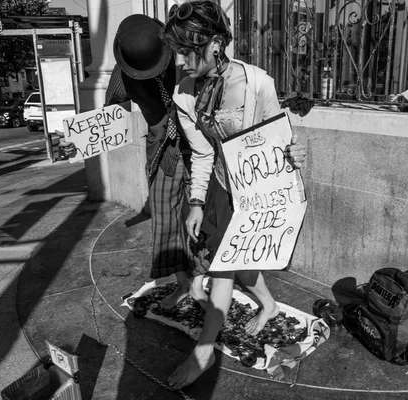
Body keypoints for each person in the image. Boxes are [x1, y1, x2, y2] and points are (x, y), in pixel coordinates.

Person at [162, 0, 308, 389]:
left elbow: (280, 143)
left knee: (222, 267)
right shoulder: (184, 92)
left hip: (257, 192)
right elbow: (204, 151)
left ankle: (204, 350)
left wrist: (297, 152)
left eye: (186, 50)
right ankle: (270, 304)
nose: (180, 60)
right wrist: (195, 202)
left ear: (213, 44)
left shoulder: (257, 83)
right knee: (235, 261)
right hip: (221, 188)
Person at [107, 14, 208, 309]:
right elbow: (109, 114)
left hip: (199, 149)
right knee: (165, 222)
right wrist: (83, 138)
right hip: (162, 153)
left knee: (204, 219)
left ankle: (200, 280)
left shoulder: (186, 59)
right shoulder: (123, 73)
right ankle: (181, 283)